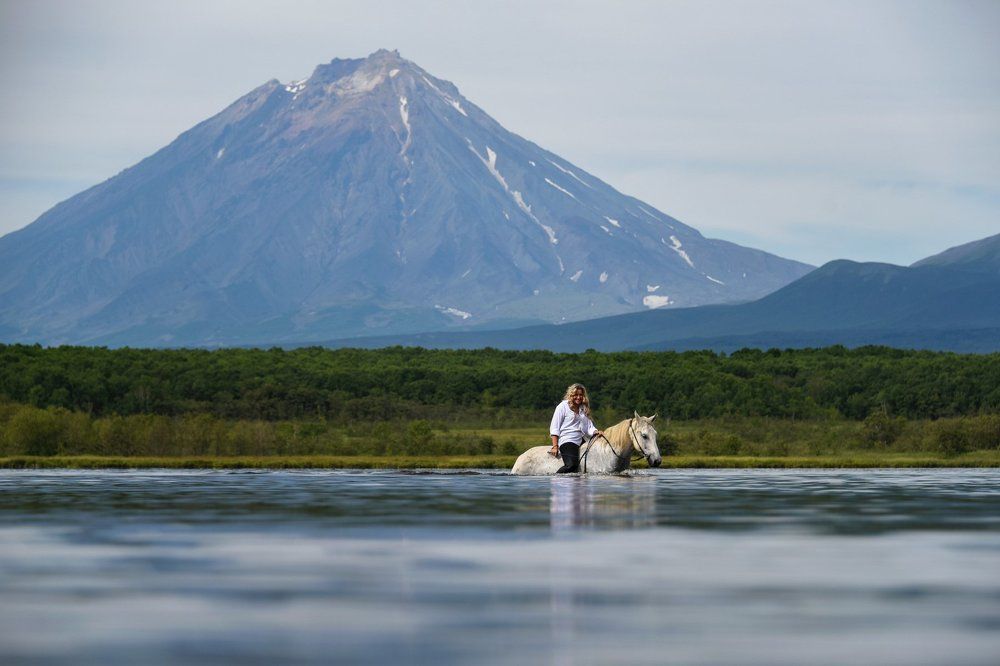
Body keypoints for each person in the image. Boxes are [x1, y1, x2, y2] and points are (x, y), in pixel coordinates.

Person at [549, 383, 603, 473]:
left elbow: (589, 427)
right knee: (571, 466)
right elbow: (555, 427)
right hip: (568, 440)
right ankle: (556, 478)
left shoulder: (583, 408)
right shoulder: (562, 407)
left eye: (581, 395)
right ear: (571, 395)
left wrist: (596, 431)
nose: (578, 397)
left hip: (582, 440)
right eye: (576, 395)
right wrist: (555, 446)